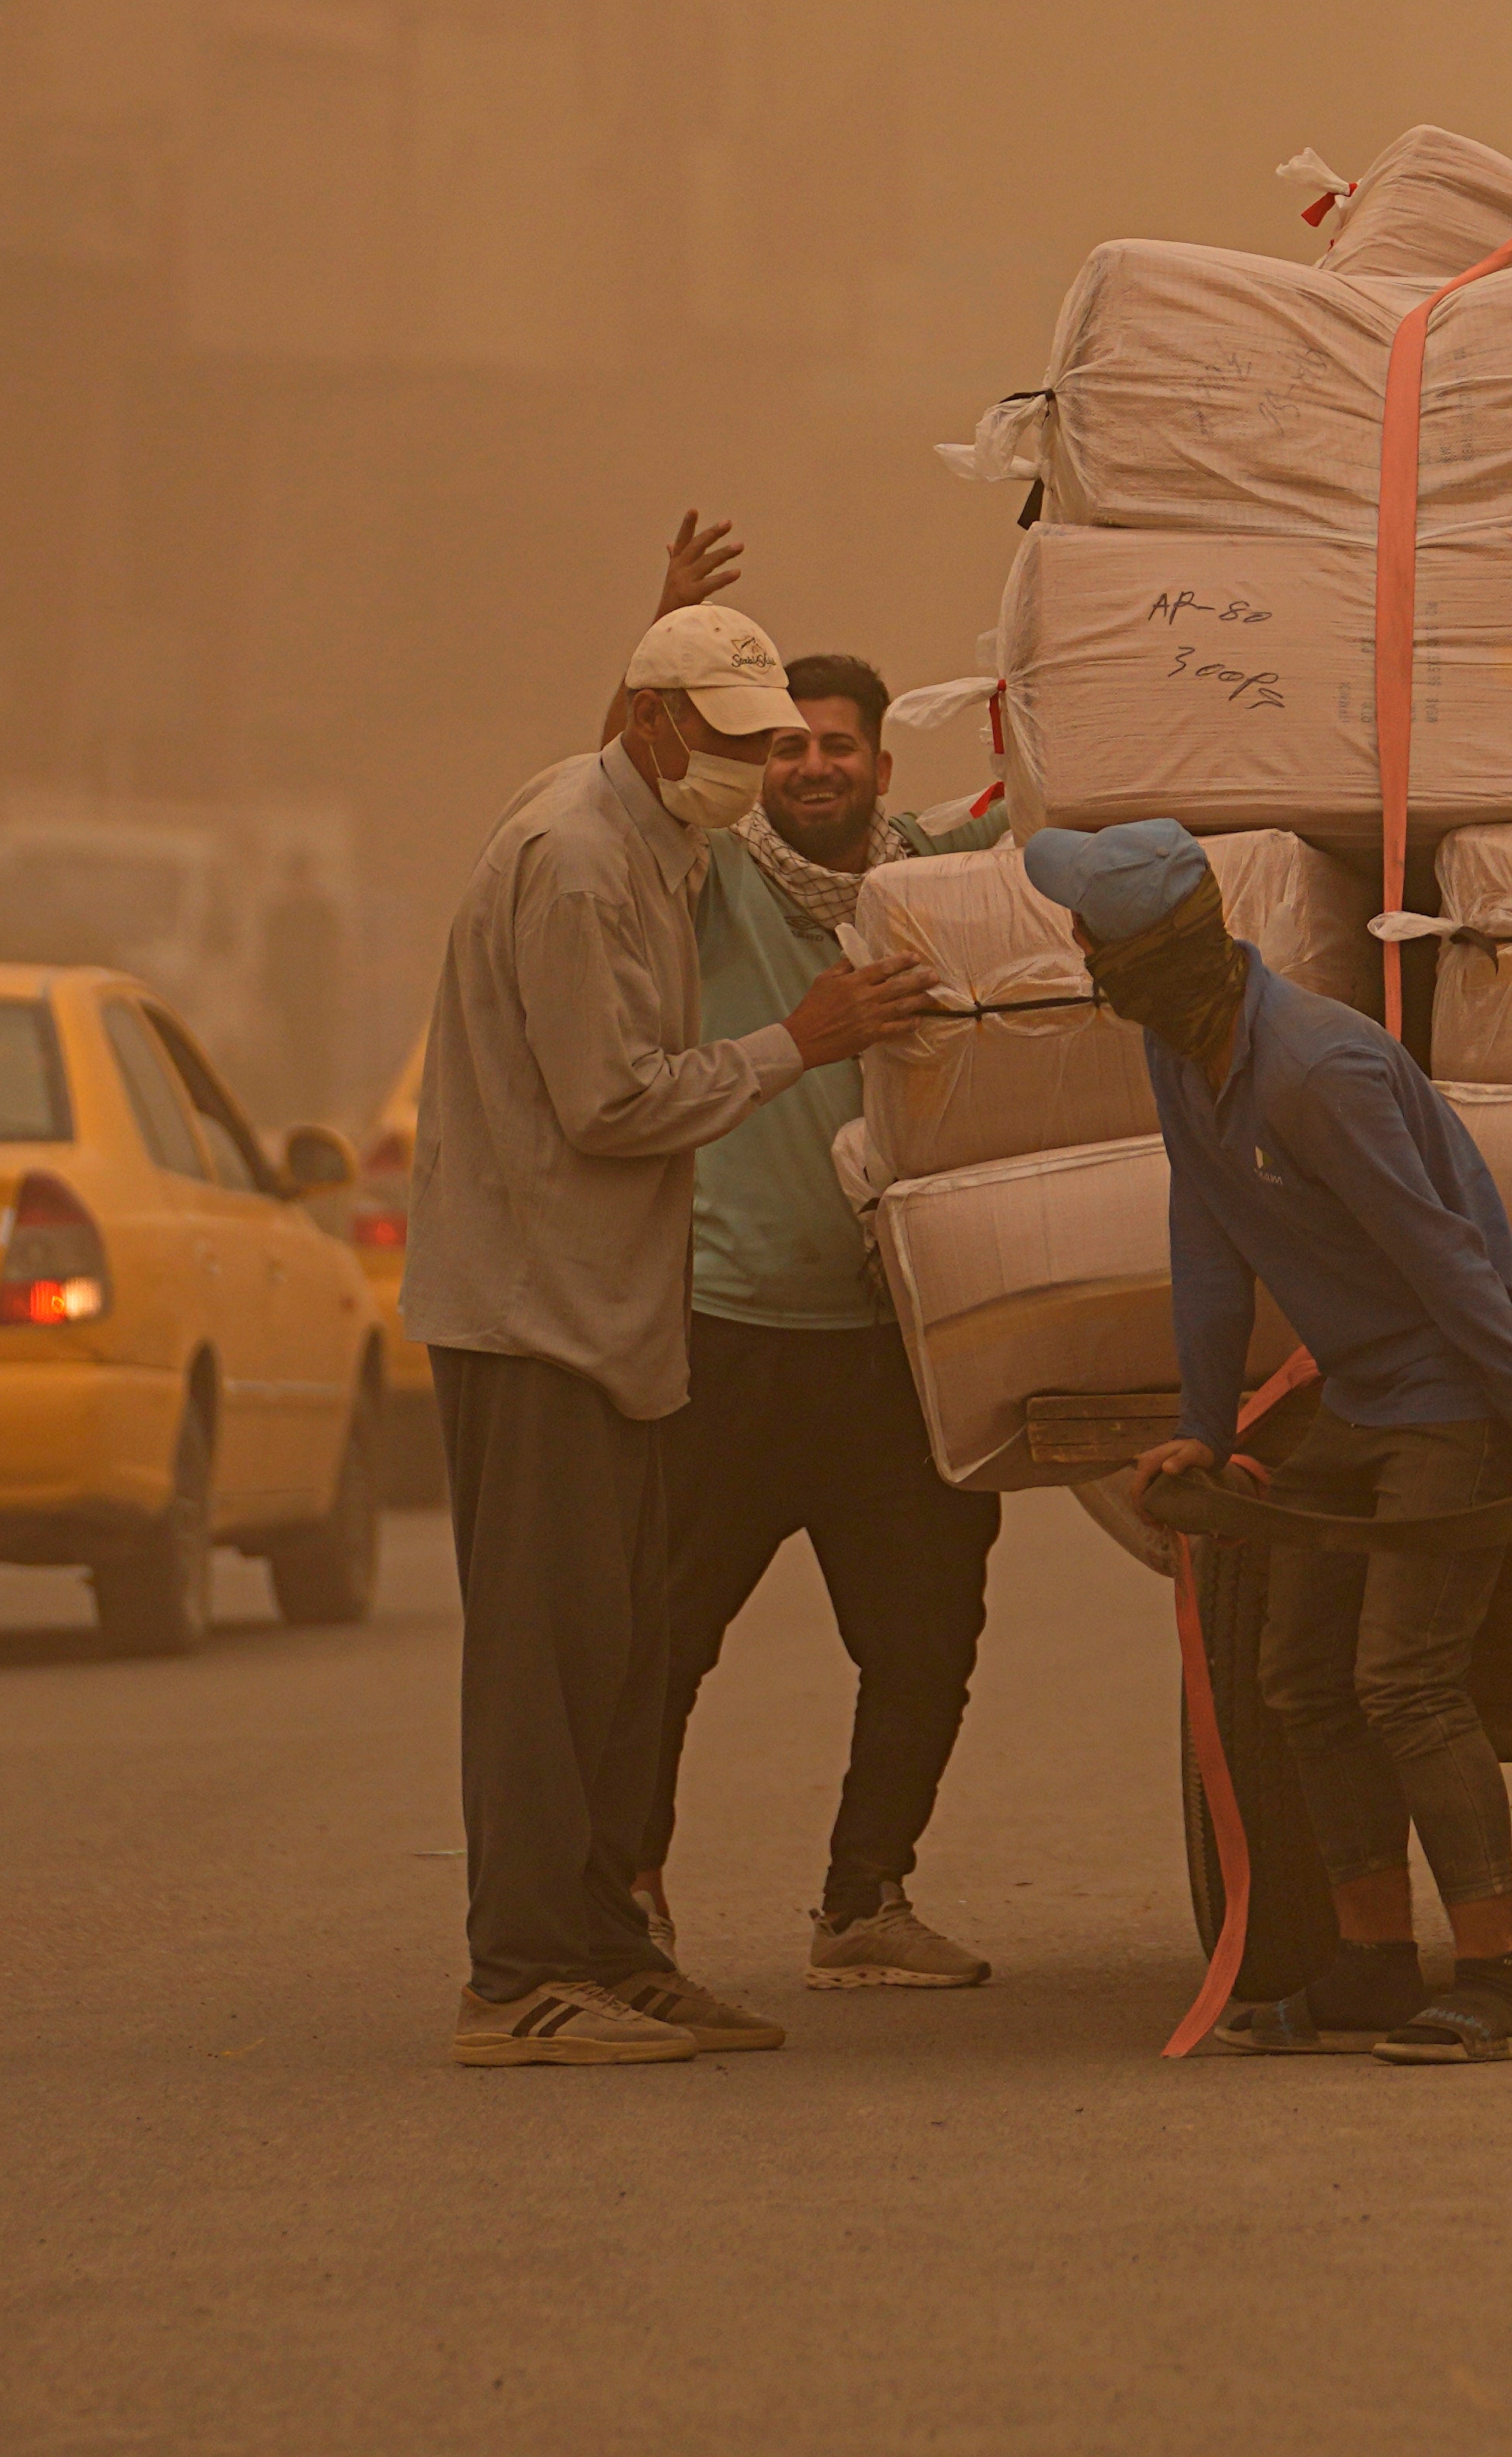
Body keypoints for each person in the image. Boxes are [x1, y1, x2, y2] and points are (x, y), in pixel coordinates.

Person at [1022, 817, 1512, 2067]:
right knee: (1301, 1676)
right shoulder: (1182, 1052)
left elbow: (1448, 1253)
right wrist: (1203, 1430)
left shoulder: (1316, 1071)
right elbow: (1206, 1244)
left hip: (1455, 1394)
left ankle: (1498, 1976)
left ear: (1144, 962)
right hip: (1367, 1394)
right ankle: (1374, 1961)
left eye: (1089, 937)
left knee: (1403, 1681)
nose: (1078, 952)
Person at [402, 595, 937, 2068]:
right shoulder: (579, 861)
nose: (763, 767)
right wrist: (799, 1042)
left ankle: (602, 1949)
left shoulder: (651, 831)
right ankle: (517, 1980)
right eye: (737, 741)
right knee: (542, 1660)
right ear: (655, 726)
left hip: (603, 1312)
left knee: (608, 1654)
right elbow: (611, 1100)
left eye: (775, 741)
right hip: (538, 1315)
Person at [613, 518, 1016, 1991]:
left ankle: (866, 1900)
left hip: (896, 1346)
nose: (815, 769)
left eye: (838, 746)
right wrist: (659, 647)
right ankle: (628, 1891)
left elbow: (1063, 801)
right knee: (662, 1643)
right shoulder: (714, 877)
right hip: (731, 1334)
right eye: (788, 749)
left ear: (881, 770)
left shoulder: (939, 879)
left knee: (927, 1635)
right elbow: (632, 788)